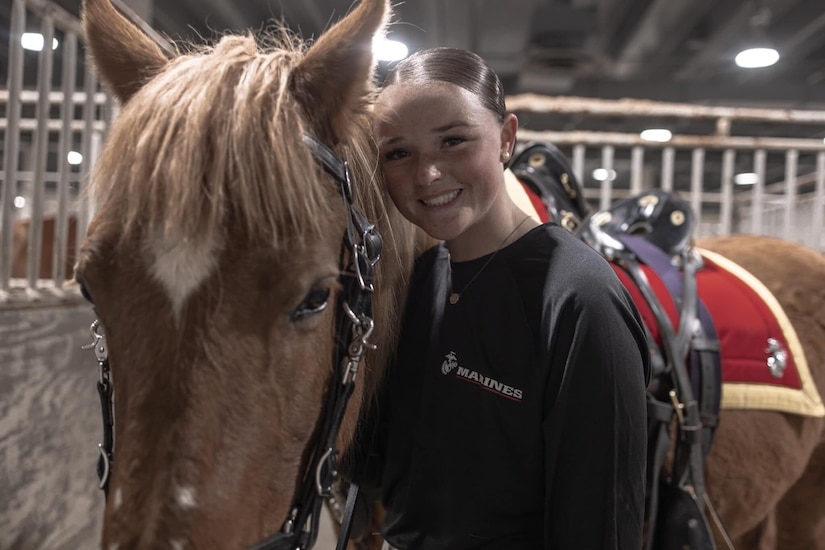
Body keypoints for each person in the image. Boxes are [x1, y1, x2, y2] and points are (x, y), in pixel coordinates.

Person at [363, 47, 650, 550]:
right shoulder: (421, 281)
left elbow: (601, 522)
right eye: (399, 153)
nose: (427, 174)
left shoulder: (580, 298)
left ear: (506, 139)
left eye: (453, 141)